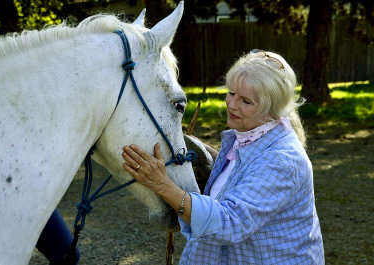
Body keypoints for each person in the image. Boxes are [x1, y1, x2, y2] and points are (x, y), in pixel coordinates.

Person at [122, 49, 324, 264]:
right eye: (231, 93)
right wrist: (212, 158)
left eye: (246, 101)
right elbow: (249, 175)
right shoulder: (251, 136)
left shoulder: (282, 159)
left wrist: (161, 184)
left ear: (272, 111)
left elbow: (230, 222)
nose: (232, 104)